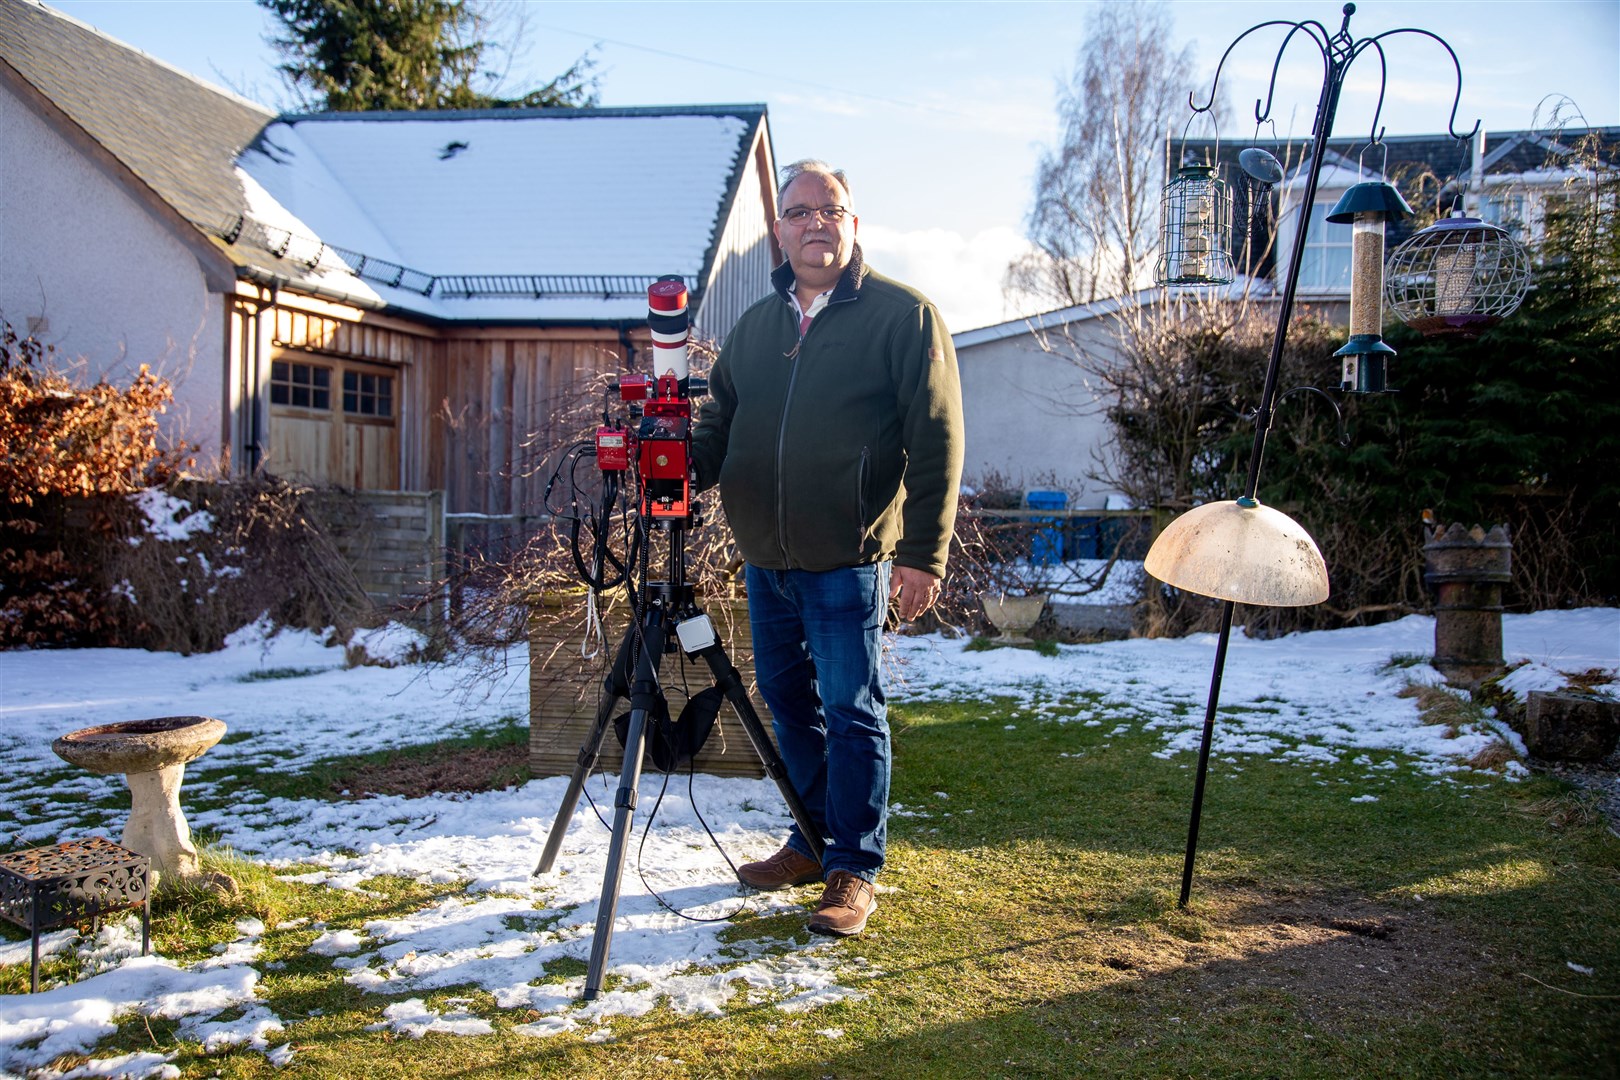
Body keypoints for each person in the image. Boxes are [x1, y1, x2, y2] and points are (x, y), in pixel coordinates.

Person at [690, 159, 964, 936]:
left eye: (830, 209)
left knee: (851, 712)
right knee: (788, 707)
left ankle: (853, 866)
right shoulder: (756, 326)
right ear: (779, 231)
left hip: (849, 560)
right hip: (765, 561)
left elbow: (937, 441)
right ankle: (810, 843)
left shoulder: (902, 317)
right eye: (799, 211)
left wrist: (923, 553)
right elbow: (718, 427)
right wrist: (680, 466)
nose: (816, 222)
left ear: (853, 221)